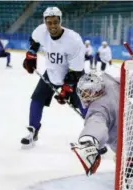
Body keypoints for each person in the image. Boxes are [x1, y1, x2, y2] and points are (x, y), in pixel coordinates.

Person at [21, 7, 87, 146]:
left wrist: (67, 88)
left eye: (55, 22)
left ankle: (94, 134)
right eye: (49, 23)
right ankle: (33, 130)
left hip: (73, 75)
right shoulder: (40, 31)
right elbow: (34, 41)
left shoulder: (73, 40)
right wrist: (31, 54)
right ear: (45, 22)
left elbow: (76, 69)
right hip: (51, 72)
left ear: (60, 21)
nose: (52, 26)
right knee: (36, 99)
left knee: (84, 104)